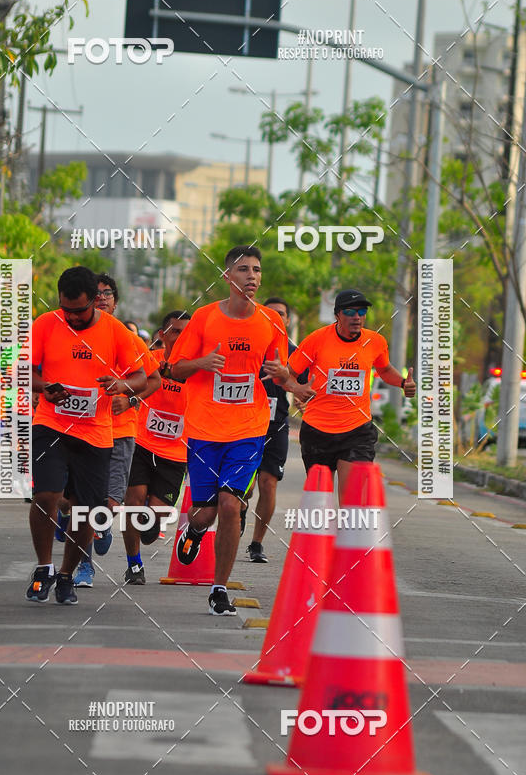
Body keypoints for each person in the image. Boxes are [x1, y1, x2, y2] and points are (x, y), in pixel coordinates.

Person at [169, 245, 288, 615]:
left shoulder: (272, 321)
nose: (251, 276)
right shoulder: (204, 318)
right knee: (205, 513)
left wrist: (290, 380)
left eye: (256, 270)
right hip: (205, 428)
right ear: (227, 277)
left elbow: (281, 370)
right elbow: (175, 369)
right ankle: (194, 530)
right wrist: (202, 362)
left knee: (230, 504)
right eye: (242, 270)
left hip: (249, 427)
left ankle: (218, 588)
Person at [27, 266, 146, 605]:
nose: (73, 317)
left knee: (87, 510)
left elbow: (141, 376)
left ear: (95, 300)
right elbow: (24, 372)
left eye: (80, 311)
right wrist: (45, 387)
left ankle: (66, 575)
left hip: (95, 432)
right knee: (46, 495)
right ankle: (44, 567)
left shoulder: (115, 331)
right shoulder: (46, 324)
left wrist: (122, 385)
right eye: (67, 310)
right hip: (51, 423)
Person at [71, 273, 160, 588]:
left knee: (109, 505)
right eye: (95, 293)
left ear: (116, 301)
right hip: (80, 429)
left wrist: (131, 399)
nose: (101, 298)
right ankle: (84, 566)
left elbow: (154, 380)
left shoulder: (128, 339)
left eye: (107, 293)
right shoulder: (73, 335)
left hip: (119, 431)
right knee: (78, 503)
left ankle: (103, 525)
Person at [287, 289, 416, 496]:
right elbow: (289, 373)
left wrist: (403, 383)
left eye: (362, 311)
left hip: (357, 431)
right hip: (318, 430)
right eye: (350, 312)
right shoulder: (316, 340)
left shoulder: (375, 342)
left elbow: (383, 370)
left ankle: (347, 528)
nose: (357, 317)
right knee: (320, 500)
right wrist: (296, 388)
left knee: (352, 499)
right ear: (337, 314)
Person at [122, 310, 191, 584]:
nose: (181, 337)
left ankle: (150, 526)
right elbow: (133, 384)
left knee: (154, 517)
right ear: (162, 335)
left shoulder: (198, 369)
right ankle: (134, 564)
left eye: (187, 332)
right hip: (141, 441)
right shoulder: (149, 361)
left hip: (176, 451)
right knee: (133, 500)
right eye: (175, 331)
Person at [242, 296, 306, 563]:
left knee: (268, 483)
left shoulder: (295, 352)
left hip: (276, 425)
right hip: (245, 424)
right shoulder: (250, 345)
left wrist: (304, 398)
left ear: (288, 320)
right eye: (271, 313)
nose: (276, 317)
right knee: (245, 487)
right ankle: (239, 513)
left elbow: (305, 385)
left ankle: (256, 543)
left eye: (281, 314)